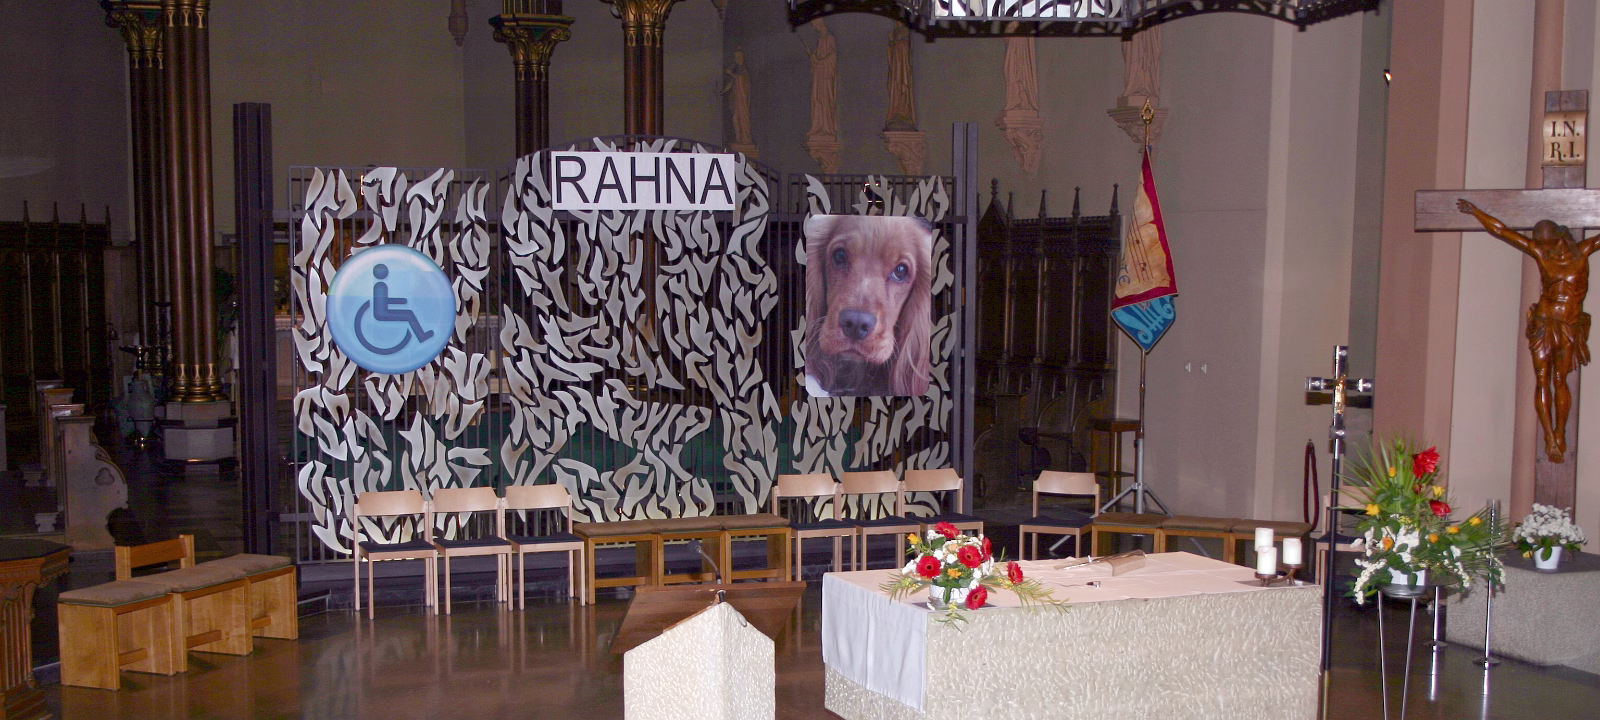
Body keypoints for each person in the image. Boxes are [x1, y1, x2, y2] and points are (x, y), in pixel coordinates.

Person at [1458, 198, 1600, 462]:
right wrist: (1476, 211)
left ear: (1559, 237)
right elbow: (1501, 231)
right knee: (1542, 378)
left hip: (1568, 324)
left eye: (1547, 242)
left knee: (1560, 379)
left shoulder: (1582, 251)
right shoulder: (1541, 253)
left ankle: (1560, 432)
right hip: (1543, 322)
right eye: (1540, 243)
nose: (1543, 248)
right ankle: (1549, 436)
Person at [370, 263, 433, 342]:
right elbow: (384, 301)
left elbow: (387, 300)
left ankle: (421, 335)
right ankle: (421, 336)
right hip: (382, 313)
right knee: (409, 315)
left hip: (384, 311)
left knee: (409, 313)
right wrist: (401, 301)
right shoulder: (381, 286)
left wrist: (401, 301)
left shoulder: (381, 285)